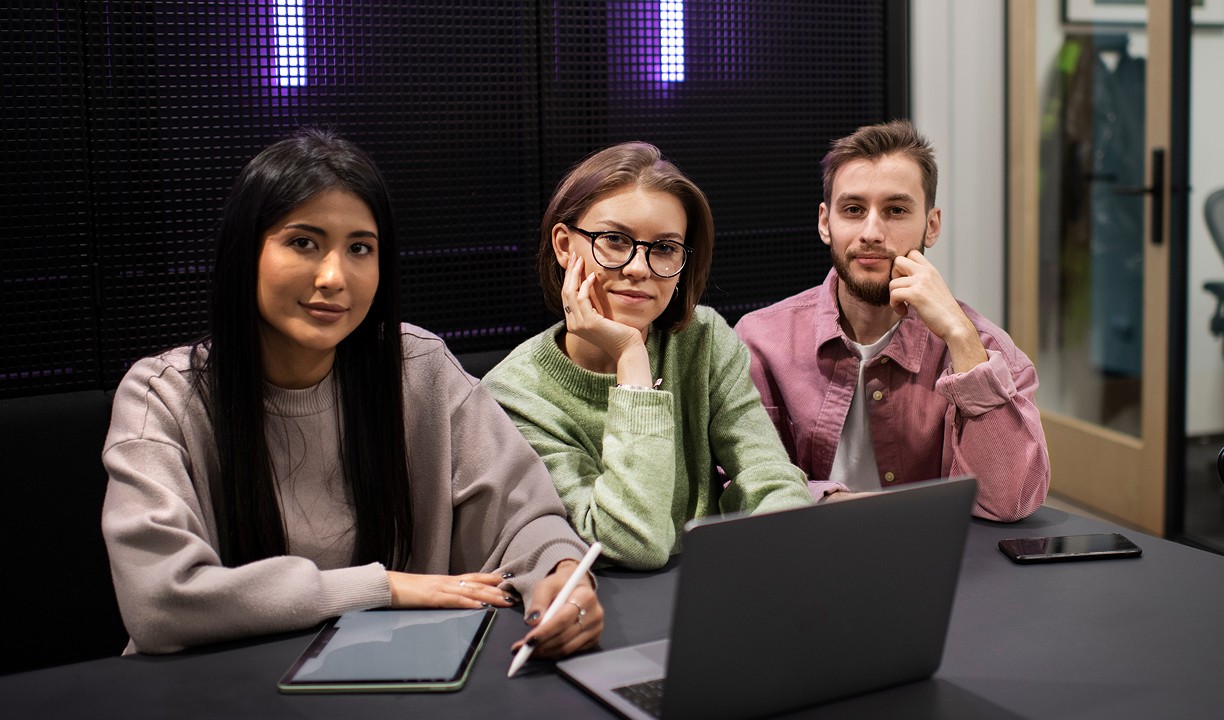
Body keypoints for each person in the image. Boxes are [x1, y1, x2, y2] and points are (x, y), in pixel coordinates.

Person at [101, 128, 603, 657]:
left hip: (397, 676)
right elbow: (159, 599)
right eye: (303, 243)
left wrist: (562, 574)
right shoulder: (163, 396)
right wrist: (380, 588)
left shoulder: (419, 367)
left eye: (360, 248)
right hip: (221, 690)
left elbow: (524, 516)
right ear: (243, 251)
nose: (334, 276)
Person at [483, 142, 811, 570]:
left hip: (712, 589)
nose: (639, 267)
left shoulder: (704, 337)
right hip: (612, 610)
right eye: (615, 240)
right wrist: (630, 357)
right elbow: (630, 542)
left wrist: (770, 564)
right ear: (564, 246)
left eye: (664, 248)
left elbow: (770, 479)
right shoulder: (512, 396)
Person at [734, 119, 1049, 522]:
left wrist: (960, 336)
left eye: (895, 210)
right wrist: (832, 504)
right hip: (802, 556)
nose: (871, 232)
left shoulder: (986, 350)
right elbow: (736, 479)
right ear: (824, 223)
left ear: (931, 225)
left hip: (939, 570)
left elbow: (1010, 502)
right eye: (853, 210)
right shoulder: (760, 341)